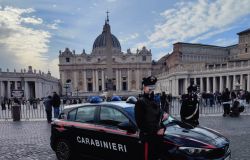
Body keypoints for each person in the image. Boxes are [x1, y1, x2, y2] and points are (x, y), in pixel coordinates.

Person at [134, 76, 168, 160]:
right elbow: (141, 124)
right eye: (149, 87)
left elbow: (158, 119)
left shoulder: (154, 101)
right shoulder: (140, 102)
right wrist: (157, 130)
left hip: (156, 139)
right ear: (144, 88)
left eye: (152, 88)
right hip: (148, 139)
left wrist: (163, 127)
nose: (151, 90)